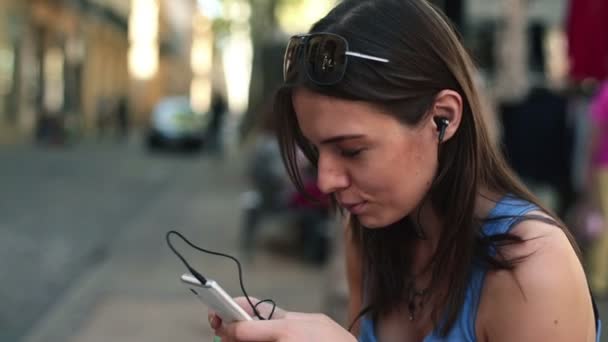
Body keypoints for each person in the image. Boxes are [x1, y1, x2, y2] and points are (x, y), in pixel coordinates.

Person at [209, 0, 600, 341]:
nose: (326, 180)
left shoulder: (531, 265)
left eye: (352, 149)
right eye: (316, 149)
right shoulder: (367, 233)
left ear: (442, 119)